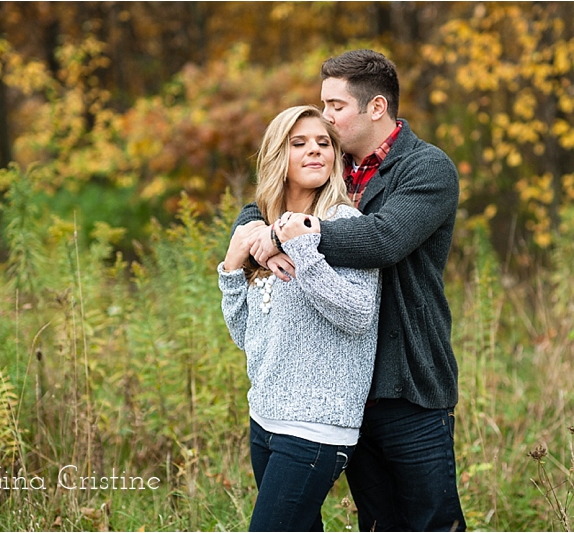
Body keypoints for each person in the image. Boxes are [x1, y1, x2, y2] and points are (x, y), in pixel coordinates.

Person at [234, 50, 466, 531]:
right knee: (378, 523)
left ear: (376, 108)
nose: (326, 116)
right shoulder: (332, 165)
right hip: (341, 389)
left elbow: (384, 239)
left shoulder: (426, 169)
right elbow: (270, 194)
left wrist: (292, 233)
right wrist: (258, 230)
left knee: (429, 524)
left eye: (335, 106)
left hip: (407, 385)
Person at [218, 105, 381, 532]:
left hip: (315, 426)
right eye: (300, 143)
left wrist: (305, 250)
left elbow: (359, 315)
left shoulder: (345, 223)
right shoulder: (261, 230)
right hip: (264, 421)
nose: (315, 151)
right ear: (278, 156)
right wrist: (232, 269)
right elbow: (247, 337)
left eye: (324, 143)